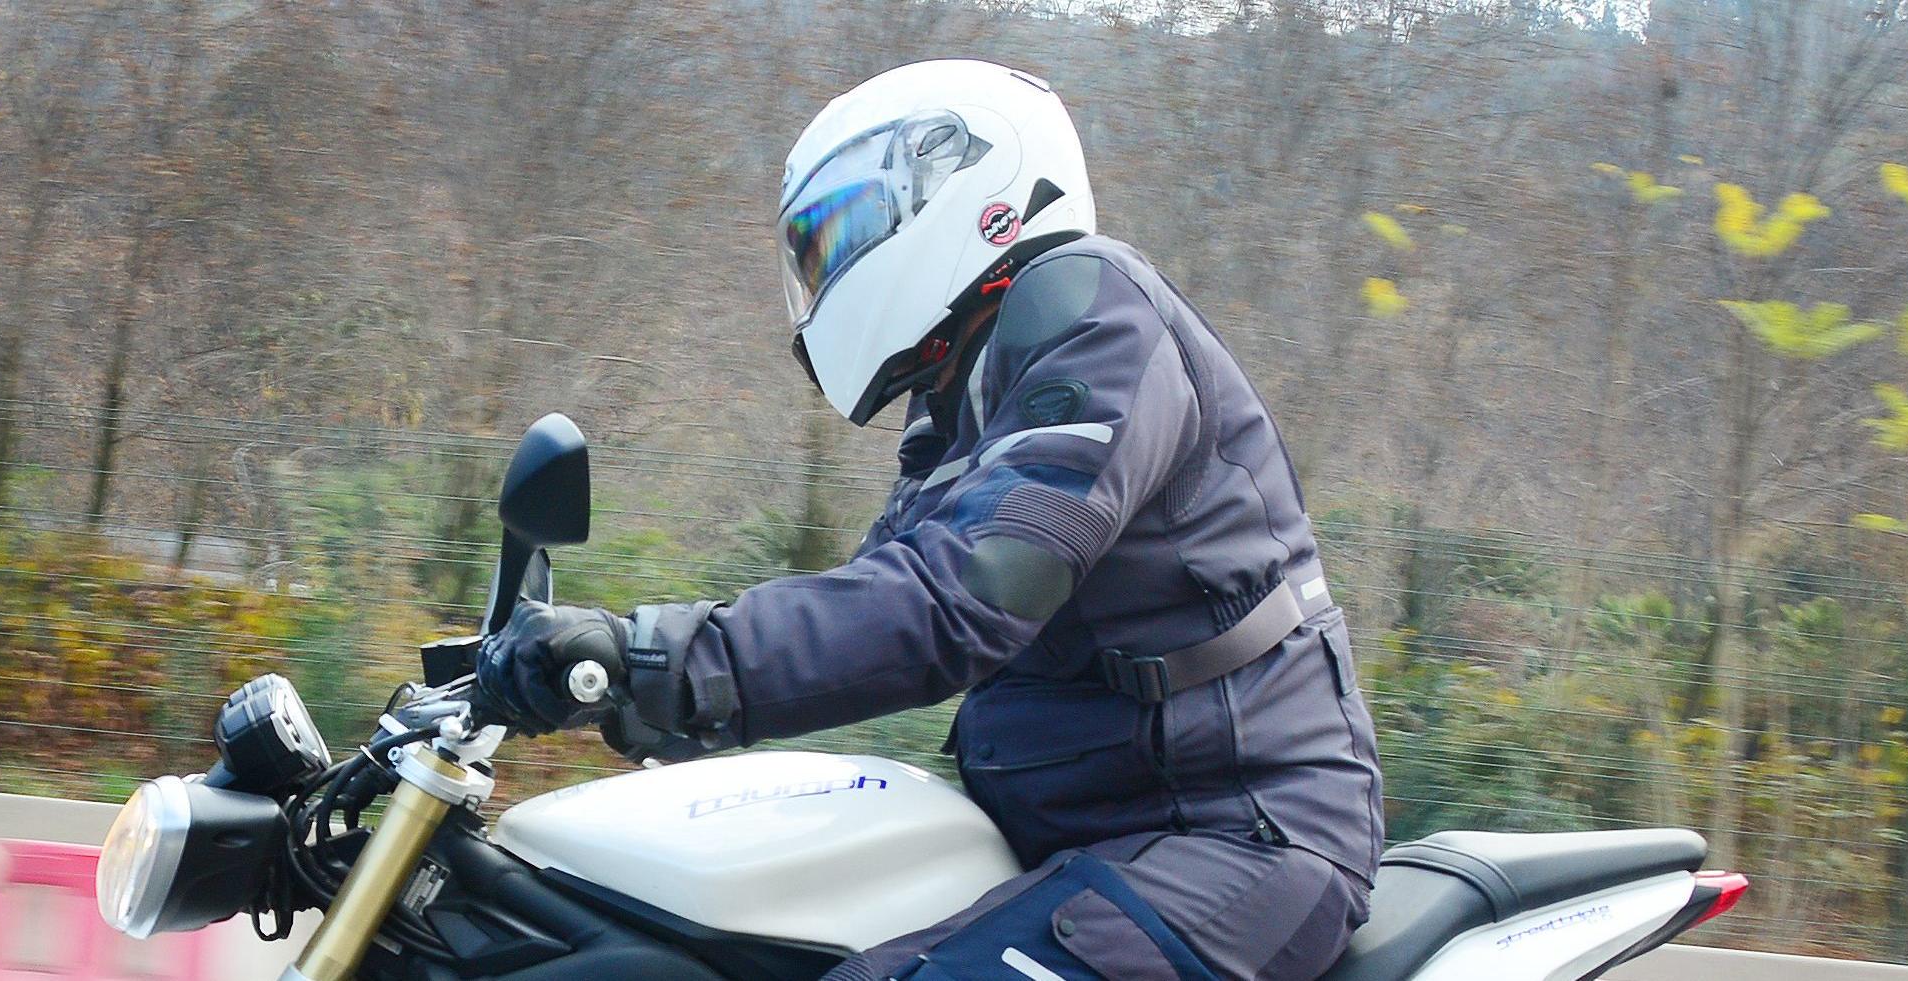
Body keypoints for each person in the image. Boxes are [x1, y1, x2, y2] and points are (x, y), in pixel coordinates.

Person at [473, 59, 1384, 981]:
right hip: (1086, 831)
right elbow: (874, 606)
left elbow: (966, 595)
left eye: (838, 236)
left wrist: (657, 654)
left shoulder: (1096, 313)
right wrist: (643, 696)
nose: (822, 273)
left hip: (1240, 835)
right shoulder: (960, 391)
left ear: (966, 182)